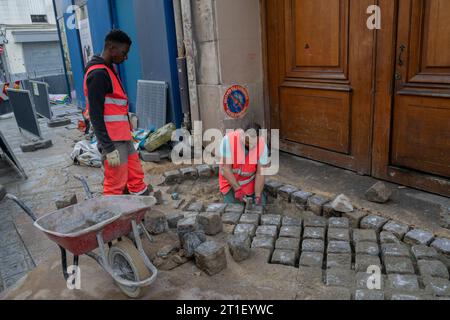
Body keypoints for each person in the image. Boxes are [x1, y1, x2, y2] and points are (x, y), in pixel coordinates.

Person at [83, 29, 150, 196]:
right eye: (124, 53)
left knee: (135, 175)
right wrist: (108, 147)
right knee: (115, 183)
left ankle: (138, 214)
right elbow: (95, 115)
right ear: (112, 48)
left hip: (123, 137)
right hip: (112, 141)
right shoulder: (98, 75)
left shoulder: (108, 70)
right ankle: (115, 221)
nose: (125, 57)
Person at [219, 124, 269, 205]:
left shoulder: (262, 146)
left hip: (249, 183)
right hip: (230, 183)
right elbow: (225, 169)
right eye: (247, 142)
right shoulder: (229, 140)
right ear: (242, 135)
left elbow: (260, 173)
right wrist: (237, 189)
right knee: (234, 209)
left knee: (260, 205)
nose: (250, 146)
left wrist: (257, 195)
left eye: (253, 144)